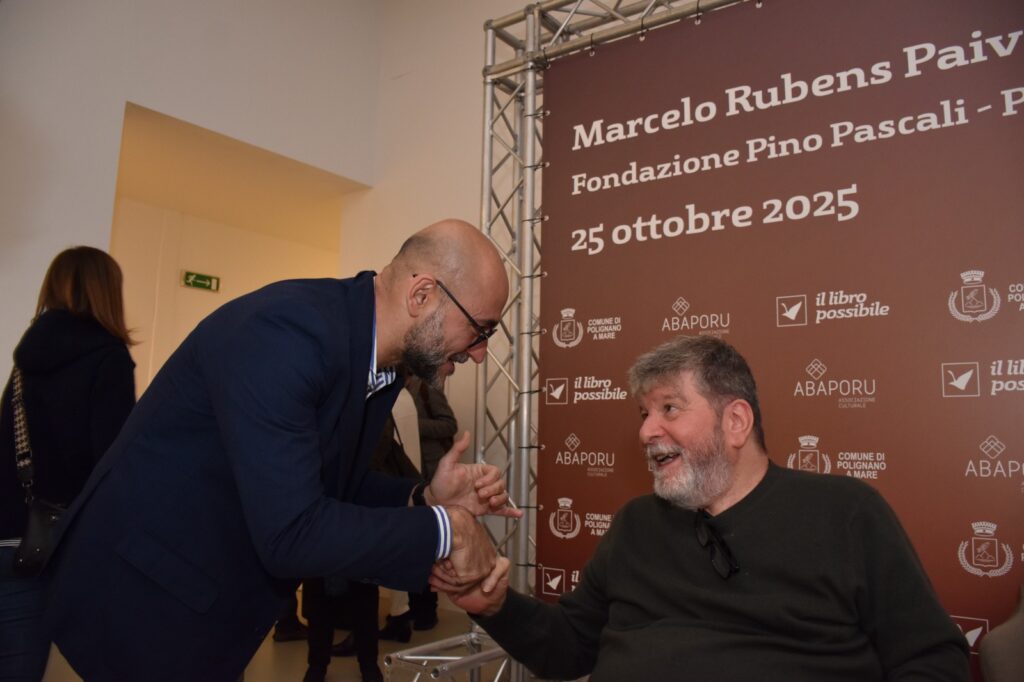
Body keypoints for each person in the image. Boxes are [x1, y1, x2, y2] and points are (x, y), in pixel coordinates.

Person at [46, 219, 518, 682]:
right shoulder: (286, 333)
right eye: (481, 330)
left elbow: (333, 485)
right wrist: (447, 530)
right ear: (422, 295)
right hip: (146, 600)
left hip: (209, 608)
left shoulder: (380, 362)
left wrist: (424, 498)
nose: (479, 353)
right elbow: (292, 533)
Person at [439, 335, 970, 681]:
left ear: (735, 422)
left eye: (669, 408)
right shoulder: (635, 525)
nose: (646, 431)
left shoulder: (846, 514)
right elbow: (570, 647)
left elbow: (932, 661)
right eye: (644, 413)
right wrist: (495, 604)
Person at [0, 246, 136, 681]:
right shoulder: (109, 358)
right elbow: (110, 464)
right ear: (107, 290)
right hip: (43, 546)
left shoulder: (25, 360)